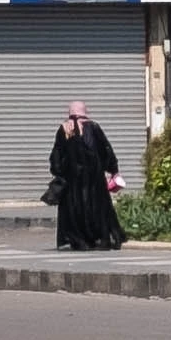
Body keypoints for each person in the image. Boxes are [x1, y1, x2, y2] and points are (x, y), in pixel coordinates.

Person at [49, 103, 128, 253]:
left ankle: (79, 241)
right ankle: (100, 239)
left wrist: (58, 172)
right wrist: (113, 169)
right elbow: (106, 150)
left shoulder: (64, 129)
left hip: (72, 181)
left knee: (74, 209)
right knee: (97, 207)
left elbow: (57, 155)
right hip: (94, 179)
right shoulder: (94, 127)